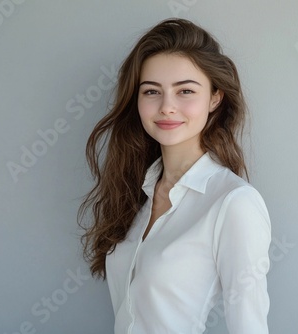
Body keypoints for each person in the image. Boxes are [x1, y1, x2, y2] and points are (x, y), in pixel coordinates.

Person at [78, 18, 271, 334]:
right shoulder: (137, 192)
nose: (167, 107)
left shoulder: (233, 203)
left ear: (214, 98)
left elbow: (249, 327)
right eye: (152, 91)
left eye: (185, 91)